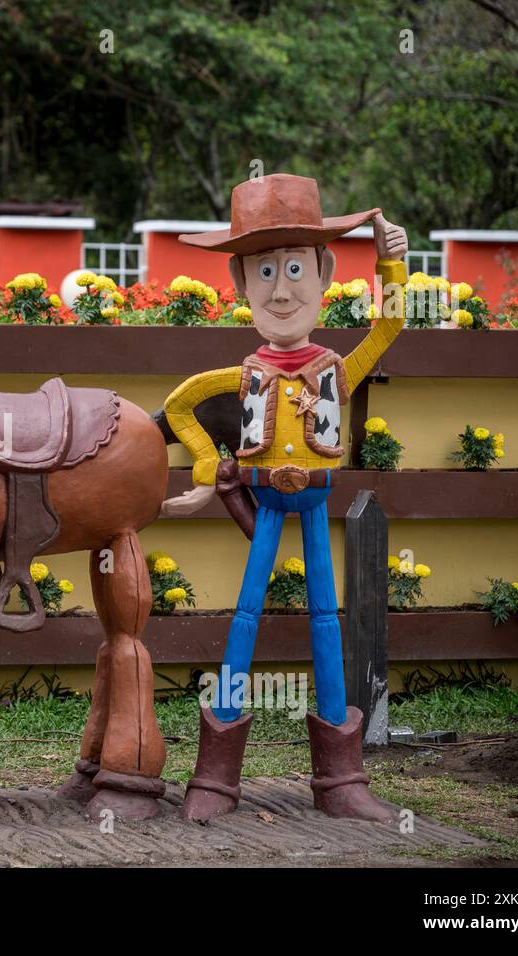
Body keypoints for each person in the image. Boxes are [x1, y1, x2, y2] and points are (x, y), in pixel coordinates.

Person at [160, 173, 408, 823]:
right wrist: (211, 463)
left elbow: (388, 327)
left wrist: (394, 262)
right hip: (265, 503)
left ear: (325, 271)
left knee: (327, 622)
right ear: (241, 281)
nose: (281, 287)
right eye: (264, 270)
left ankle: (341, 780)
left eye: (295, 266)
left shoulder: (333, 369)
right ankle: (214, 777)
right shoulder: (245, 373)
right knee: (243, 624)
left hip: (314, 503)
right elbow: (179, 404)